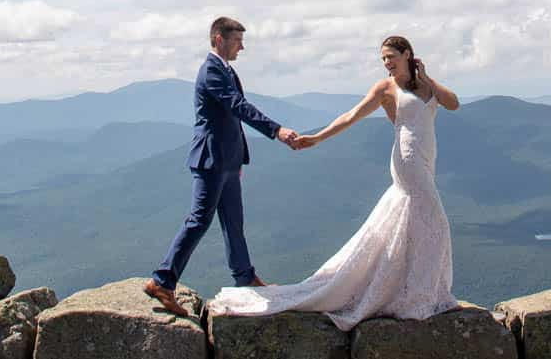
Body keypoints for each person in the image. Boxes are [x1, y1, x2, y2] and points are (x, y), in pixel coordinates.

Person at [207, 35, 461, 330]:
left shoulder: (426, 85)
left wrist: (427, 76)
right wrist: (317, 138)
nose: (387, 63)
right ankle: (421, 294)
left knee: (414, 224)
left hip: (427, 160)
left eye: (391, 56)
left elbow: (452, 104)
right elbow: (351, 116)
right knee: (435, 222)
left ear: (407, 54)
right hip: (408, 161)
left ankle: (413, 290)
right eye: (383, 59)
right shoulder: (385, 88)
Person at [144, 17, 302, 317]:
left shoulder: (226, 70)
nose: (242, 46)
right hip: (210, 160)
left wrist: (237, 159)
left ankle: (245, 278)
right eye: (236, 40)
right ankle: (162, 281)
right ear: (218, 38)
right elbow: (238, 108)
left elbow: (230, 120)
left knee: (233, 222)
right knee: (199, 221)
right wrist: (277, 130)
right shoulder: (211, 72)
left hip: (226, 161)